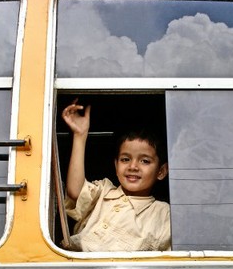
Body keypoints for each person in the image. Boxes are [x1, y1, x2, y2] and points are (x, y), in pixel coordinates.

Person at [62, 99, 171, 252]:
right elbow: (75, 192)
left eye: (144, 161)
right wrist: (80, 135)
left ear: (161, 171)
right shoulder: (104, 192)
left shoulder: (163, 213)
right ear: (116, 165)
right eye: (125, 159)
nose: (133, 167)